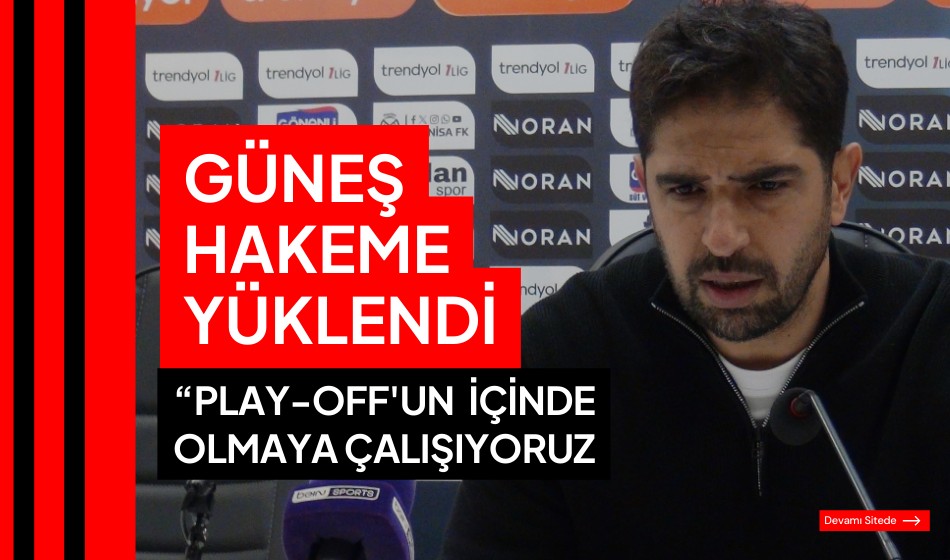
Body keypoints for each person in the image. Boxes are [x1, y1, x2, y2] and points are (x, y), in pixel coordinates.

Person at [439, 1, 950, 558]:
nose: (722, 238)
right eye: (685, 190)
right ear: (644, 185)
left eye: (766, 187)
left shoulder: (936, 340)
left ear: (839, 185)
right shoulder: (557, 354)